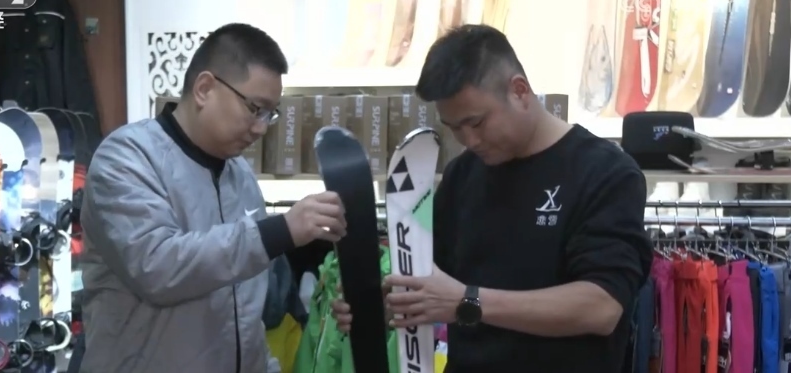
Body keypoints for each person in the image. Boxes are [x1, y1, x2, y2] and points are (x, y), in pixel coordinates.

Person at [331, 24, 653, 372]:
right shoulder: (462, 174)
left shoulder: (606, 173)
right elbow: (434, 285)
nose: (468, 140)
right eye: (454, 128)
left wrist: (467, 301)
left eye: (477, 123)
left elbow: (601, 307)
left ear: (519, 91)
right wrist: (385, 306)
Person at [77, 23, 348, 372]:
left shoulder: (241, 176)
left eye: (270, 114)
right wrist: (280, 231)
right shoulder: (127, 157)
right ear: (205, 88)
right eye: (255, 108)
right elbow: (157, 268)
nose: (261, 128)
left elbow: (244, 316)